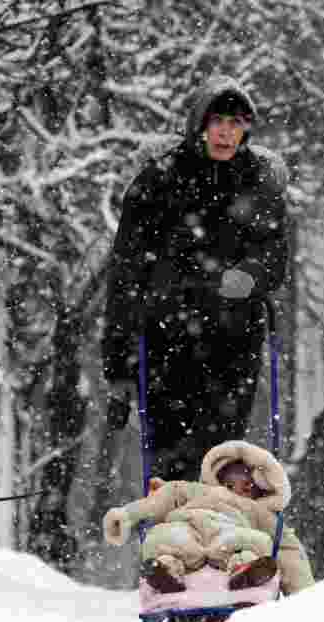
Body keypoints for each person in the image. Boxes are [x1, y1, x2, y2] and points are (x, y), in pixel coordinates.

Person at [101, 74, 289, 481]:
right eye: (217, 121)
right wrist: (118, 367)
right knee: (171, 457)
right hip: (168, 342)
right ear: (199, 125)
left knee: (222, 456)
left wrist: (251, 276)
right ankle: (174, 537)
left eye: (236, 123)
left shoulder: (259, 182)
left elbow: (275, 257)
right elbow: (126, 274)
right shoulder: (159, 181)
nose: (226, 132)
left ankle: (215, 536)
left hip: (234, 343)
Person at [102, 440, 316, 596]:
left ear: (260, 490)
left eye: (247, 486)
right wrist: (128, 515)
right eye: (229, 482)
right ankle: (165, 570)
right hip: (187, 529)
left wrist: (304, 596)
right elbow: (159, 501)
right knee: (163, 538)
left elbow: (288, 548)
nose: (235, 490)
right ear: (217, 476)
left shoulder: (257, 510)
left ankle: (244, 569)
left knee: (256, 543)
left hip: (231, 535)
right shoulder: (194, 491)